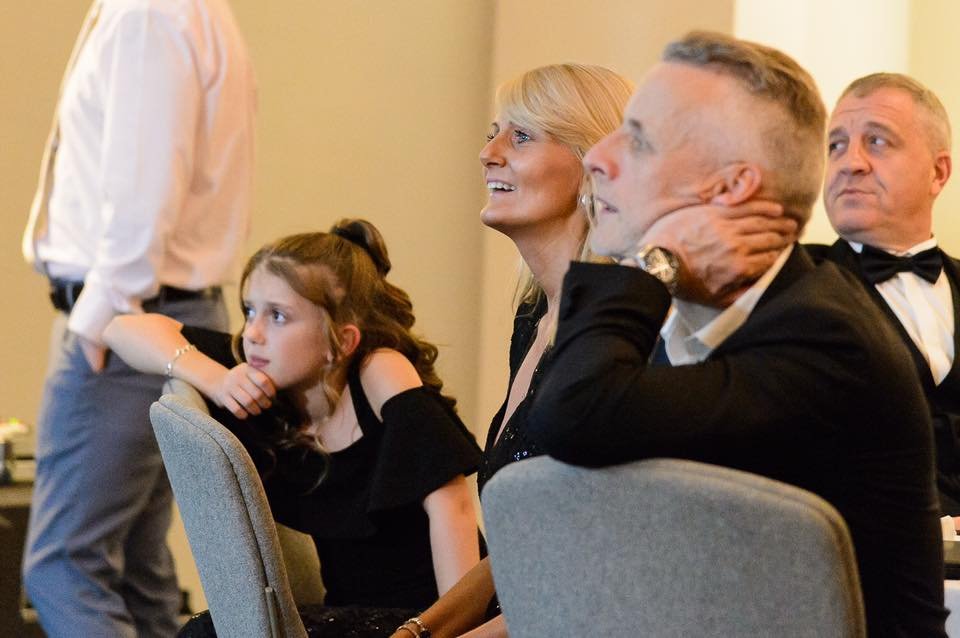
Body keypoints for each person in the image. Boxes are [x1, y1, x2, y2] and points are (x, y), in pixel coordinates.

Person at [526, 32, 947, 637]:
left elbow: (574, 413)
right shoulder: (672, 321)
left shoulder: (826, 337)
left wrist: (651, 265)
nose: (597, 158)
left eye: (639, 140)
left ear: (730, 187)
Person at [388, 63, 796, 638]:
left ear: (594, 164)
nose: (488, 153)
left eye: (520, 137)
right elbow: (531, 539)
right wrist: (418, 631)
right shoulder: (533, 316)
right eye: (492, 133)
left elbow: (617, 563)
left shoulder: (638, 330)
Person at [104, 220, 483, 636]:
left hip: (432, 616)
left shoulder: (380, 371)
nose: (253, 333)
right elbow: (122, 329)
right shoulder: (260, 376)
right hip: (354, 615)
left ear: (342, 340)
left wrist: (456, 631)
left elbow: (453, 507)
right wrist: (216, 379)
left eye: (278, 316)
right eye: (249, 310)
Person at [20, 1, 256, 635]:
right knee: (136, 567)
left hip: (129, 319)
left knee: (65, 566)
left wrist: (99, 319)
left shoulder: (149, 11)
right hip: (165, 309)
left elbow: (144, 181)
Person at [807, 73, 960, 516]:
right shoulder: (796, 286)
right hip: (859, 549)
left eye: (876, 141)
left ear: (938, 172)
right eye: (836, 145)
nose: (850, 163)